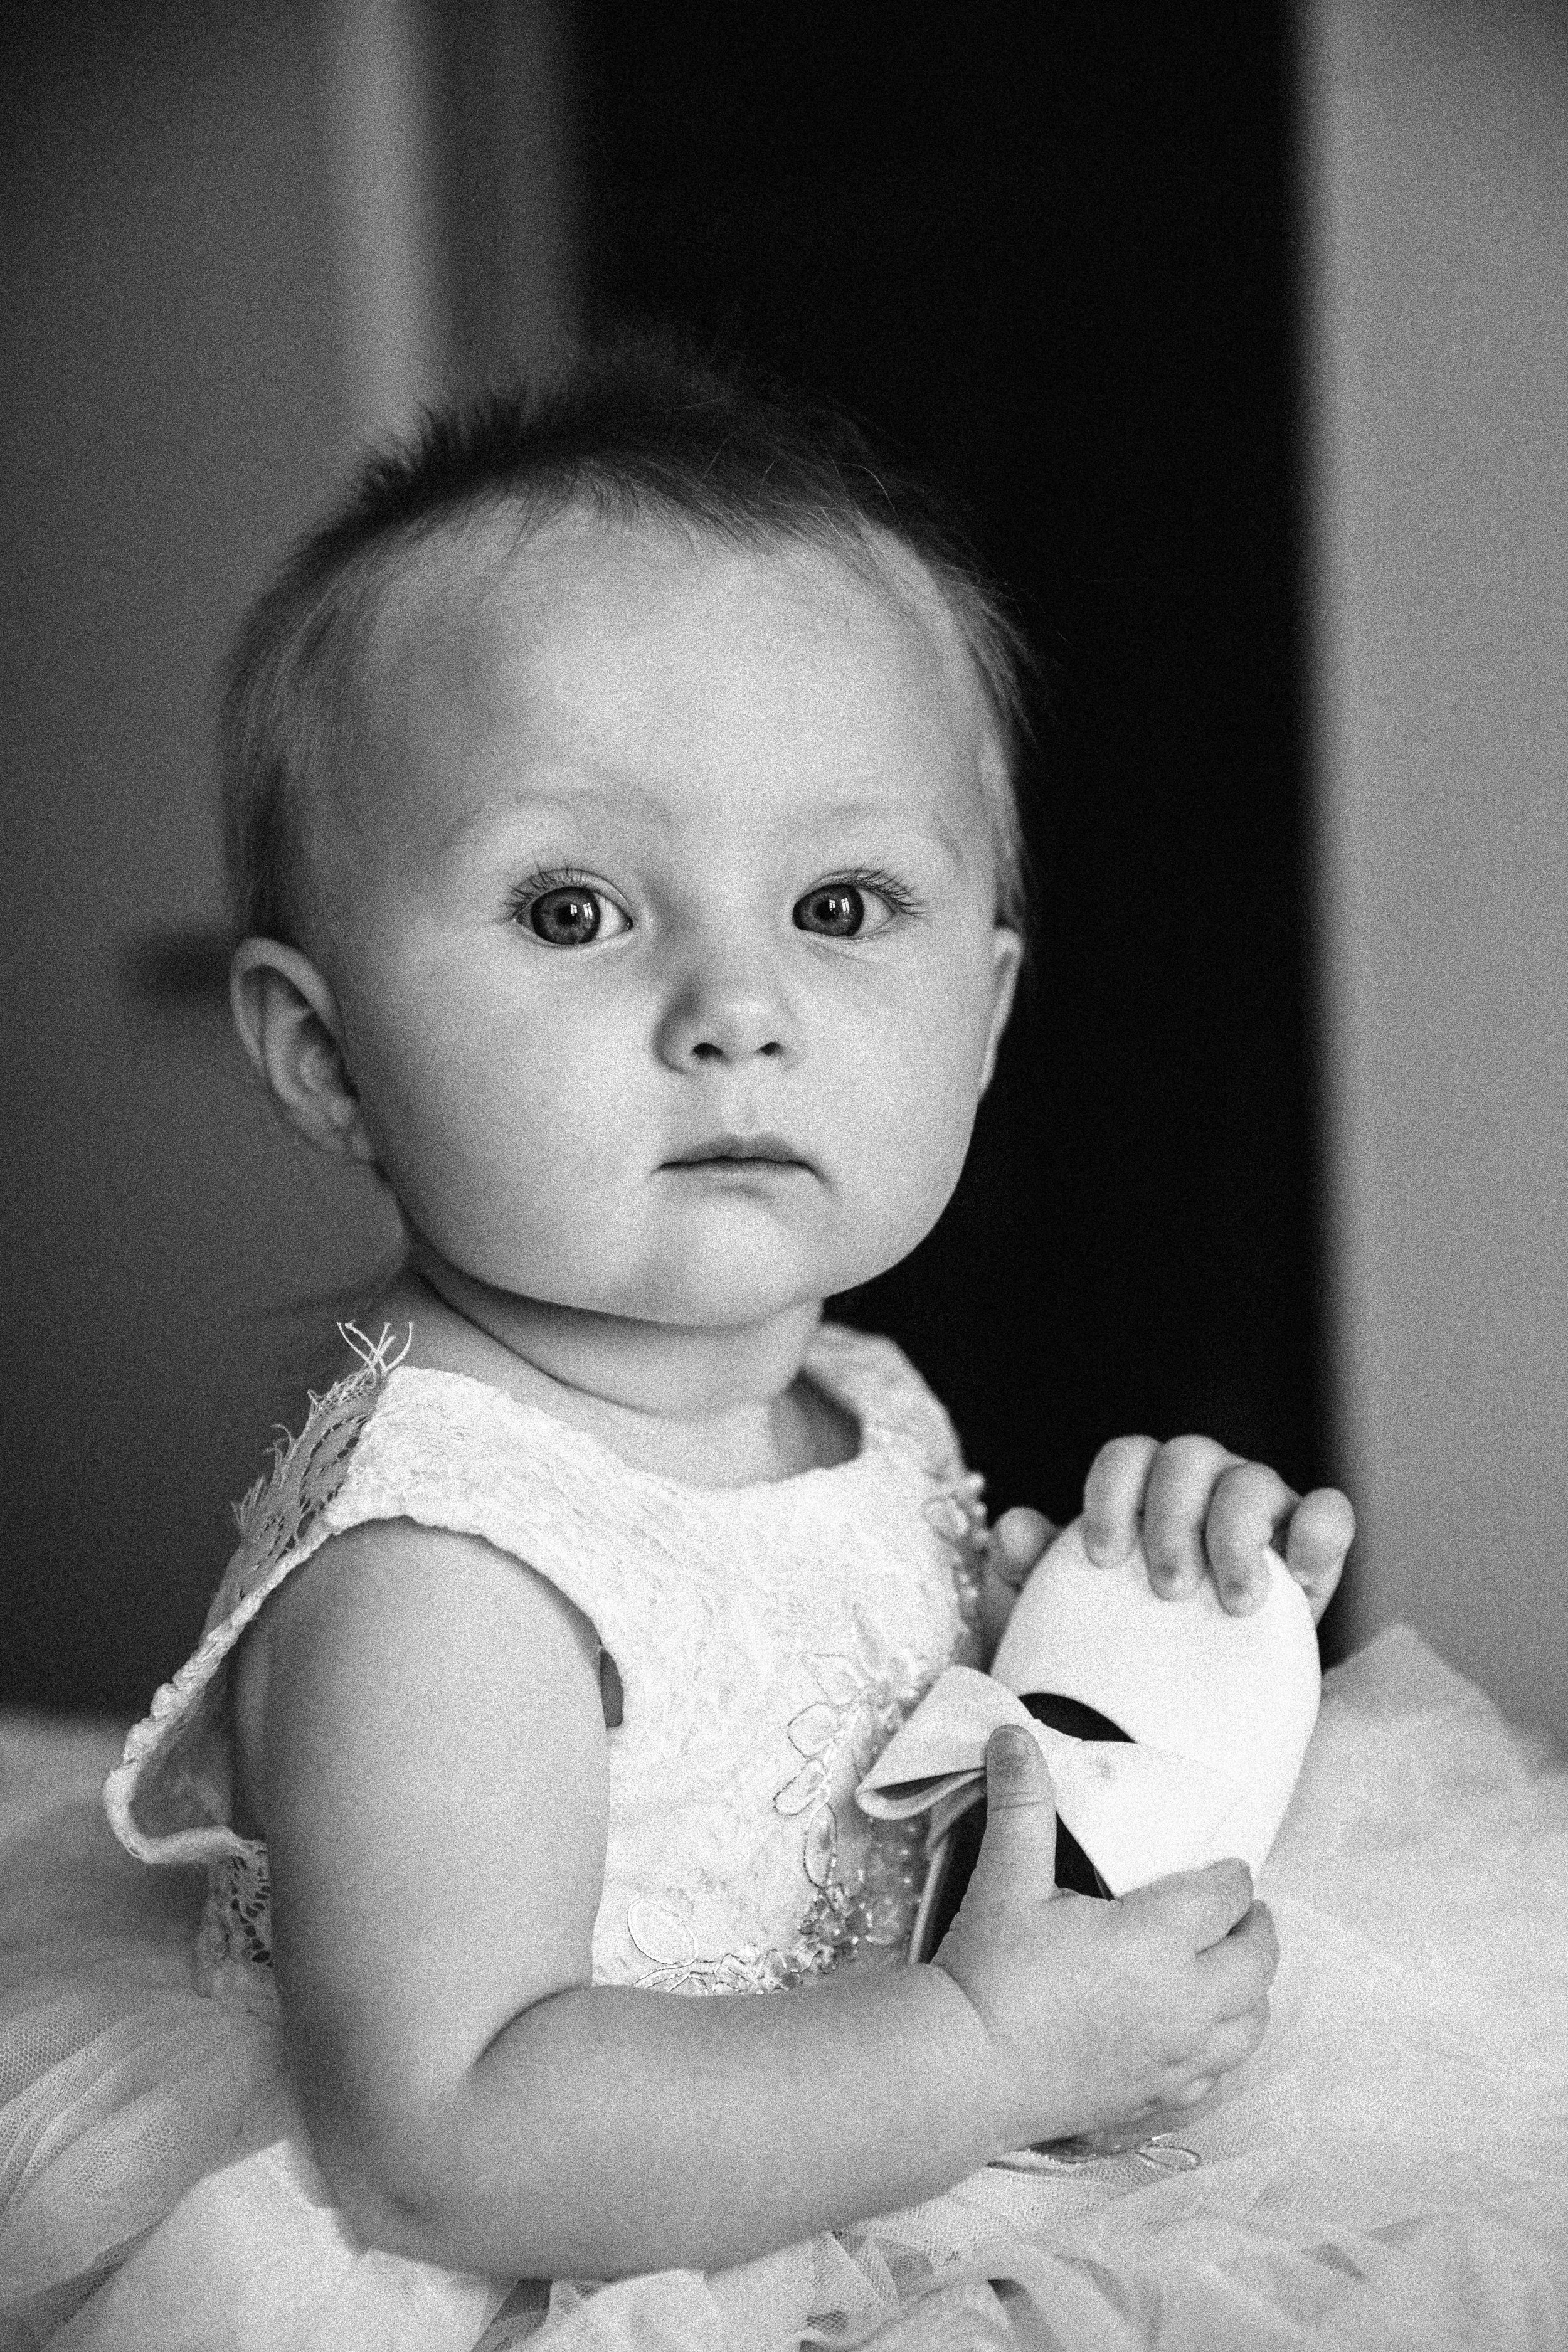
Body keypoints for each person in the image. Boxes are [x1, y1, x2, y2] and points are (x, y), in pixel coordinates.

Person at [1, 334, 1360, 2348]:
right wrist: (980, 2050)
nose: (738, 1004)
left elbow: (887, 1808)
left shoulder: (851, 1401)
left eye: (839, 900)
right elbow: (445, 2133)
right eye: (571, 909)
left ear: (983, 1014)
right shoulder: (445, 1561)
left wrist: (1125, 1626)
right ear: (324, 1051)